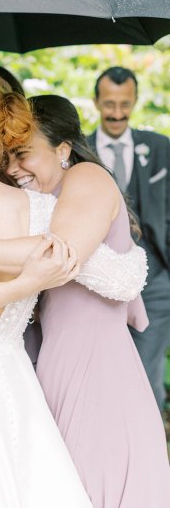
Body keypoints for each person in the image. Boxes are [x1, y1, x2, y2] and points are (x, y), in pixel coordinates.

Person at [0, 94, 170, 508]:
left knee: (98, 483)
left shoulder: (86, 176)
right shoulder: (40, 206)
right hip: (50, 361)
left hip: (96, 369)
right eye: (9, 156)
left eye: (24, 154)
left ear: (62, 150)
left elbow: (57, 255)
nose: (14, 167)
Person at [88, 66, 170, 410]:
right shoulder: (80, 151)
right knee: (100, 375)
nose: (117, 113)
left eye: (124, 104)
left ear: (135, 100)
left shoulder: (161, 148)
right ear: (96, 102)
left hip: (156, 282)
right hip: (97, 282)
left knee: (147, 374)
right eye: (109, 104)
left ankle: (150, 455)